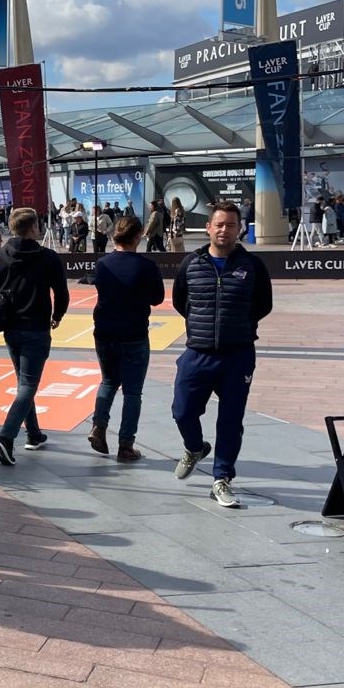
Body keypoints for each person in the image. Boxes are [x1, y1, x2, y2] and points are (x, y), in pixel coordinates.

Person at [172, 201, 273, 508]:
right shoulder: (191, 264)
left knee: (230, 420)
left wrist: (239, 325)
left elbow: (263, 305)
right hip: (197, 352)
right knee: (182, 411)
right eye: (219, 224)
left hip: (237, 355)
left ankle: (221, 479)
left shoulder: (252, 266)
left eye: (230, 225)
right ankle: (194, 447)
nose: (224, 230)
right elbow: (180, 301)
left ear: (239, 228)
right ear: (208, 228)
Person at [0, 207, 69, 466]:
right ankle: (6, 438)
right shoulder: (48, 257)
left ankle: (33, 434)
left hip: (11, 328)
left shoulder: (0, 256)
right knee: (28, 386)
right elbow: (62, 293)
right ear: (32, 228)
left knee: (23, 382)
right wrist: (57, 316)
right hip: (36, 328)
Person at [89, 215, 164, 463]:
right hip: (133, 333)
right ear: (138, 236)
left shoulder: (103, 264)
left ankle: (98, 426)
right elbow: (157, 298)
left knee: (109, 381)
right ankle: (126, 445)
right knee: (132, 393)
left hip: (105, 332)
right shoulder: (146, 266)